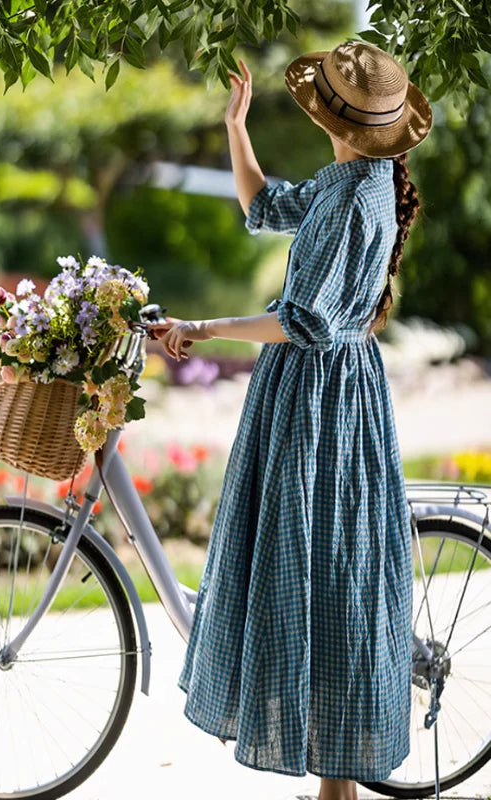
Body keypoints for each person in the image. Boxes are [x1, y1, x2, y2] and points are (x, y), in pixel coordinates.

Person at [146, 40, 433, 800]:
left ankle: (335, 785)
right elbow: (263, 205)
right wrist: (235, 128)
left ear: (333, 119)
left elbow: (302, 323)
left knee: (315, 568)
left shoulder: (352, 196)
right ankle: (331, 779)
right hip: (325, 388)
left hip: (318, 398)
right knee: (319, 568)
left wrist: (202, 329)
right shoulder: (360, 179)